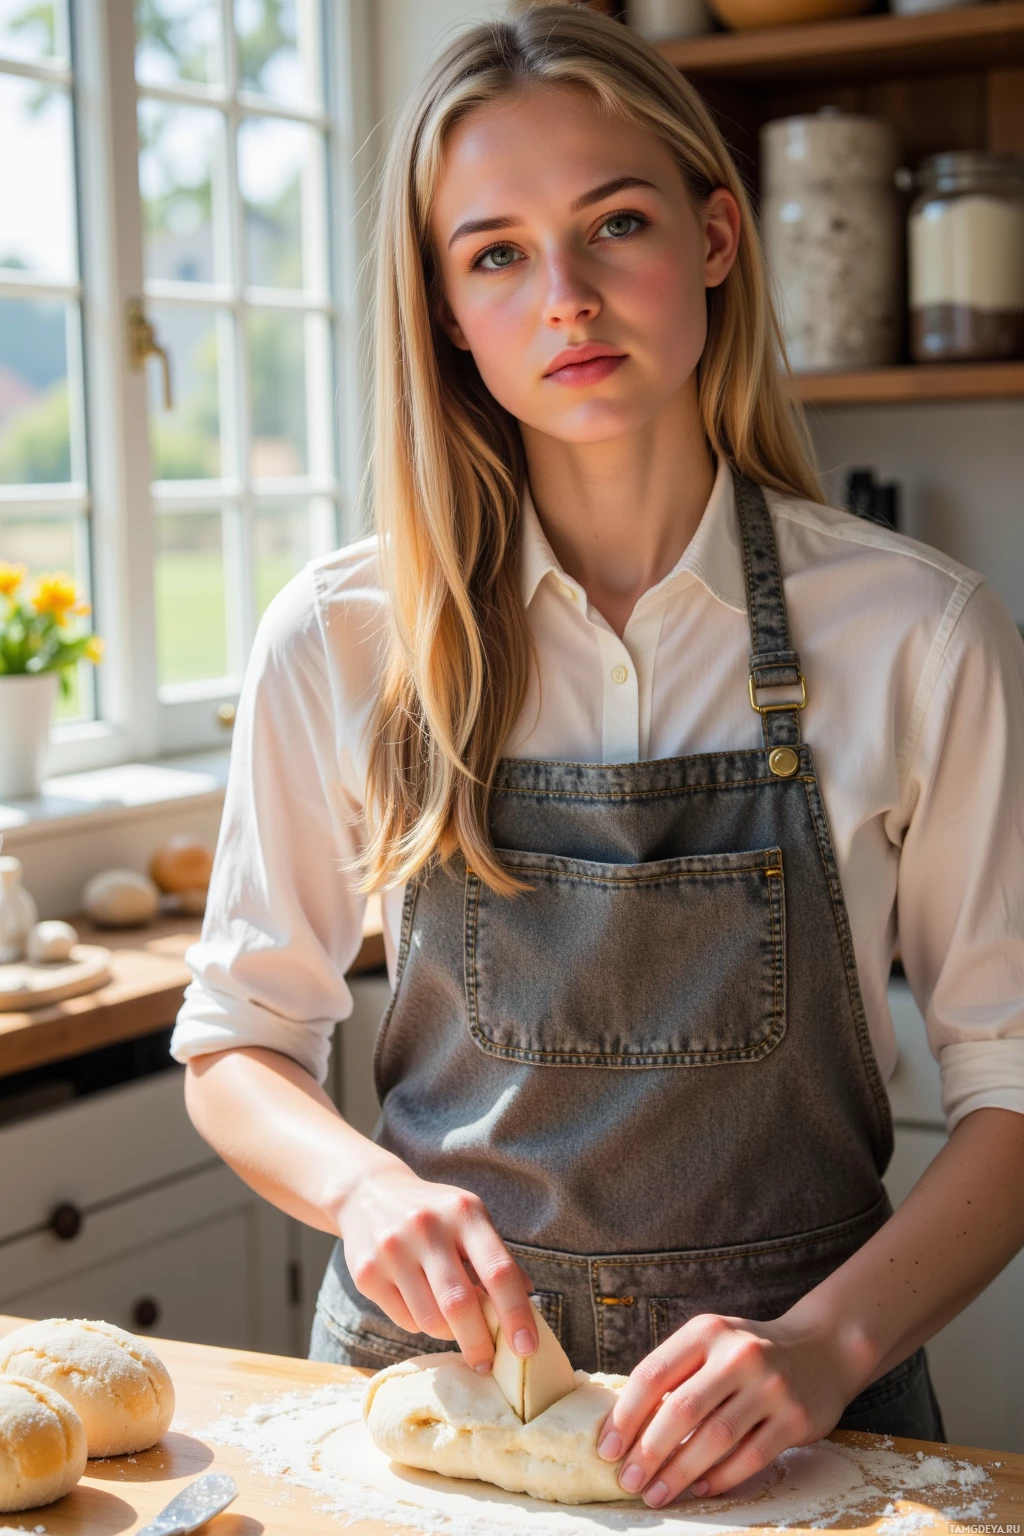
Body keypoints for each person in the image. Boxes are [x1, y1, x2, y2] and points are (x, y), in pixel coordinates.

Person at [170, 3, 1024, 1510]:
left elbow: (1017, 1088)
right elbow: (239, 1043)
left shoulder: (919, 634)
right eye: (494, 251)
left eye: (612, 224)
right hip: (427, 1423)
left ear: (712, 239)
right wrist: (367, 1191)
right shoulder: (343, 638)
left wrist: (821, 1351)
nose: (562, 296)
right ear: (442, 307)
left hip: (800, 1436)